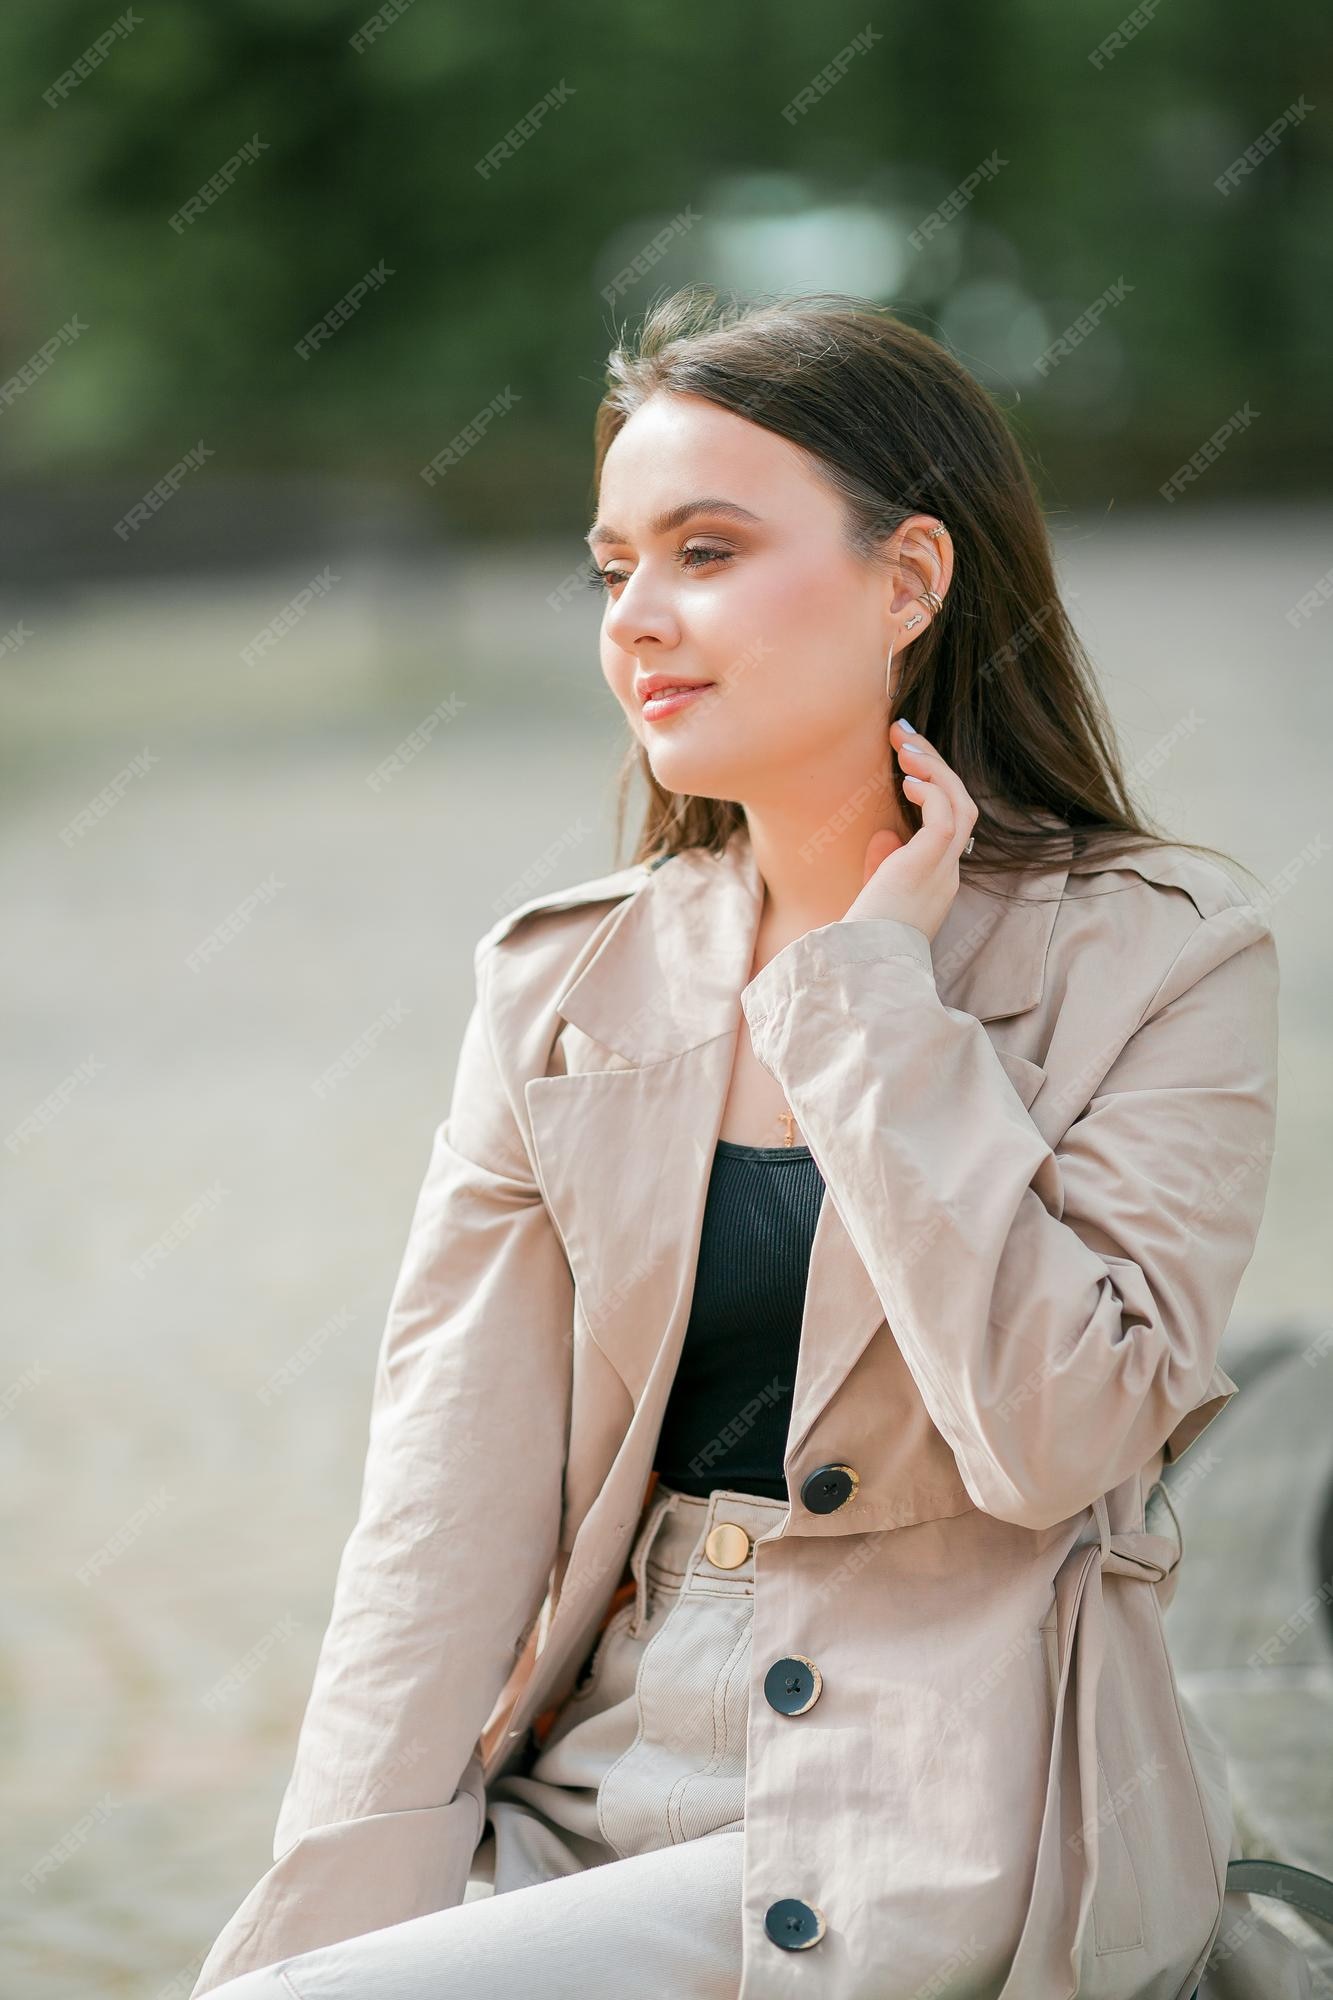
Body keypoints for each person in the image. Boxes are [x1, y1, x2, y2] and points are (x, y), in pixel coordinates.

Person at [192, 289, 1313, 1999]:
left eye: (704, 551)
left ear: (909, 581)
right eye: (611, 567)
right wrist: (338, 1892)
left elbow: (1054, 1433)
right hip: (588, 1772)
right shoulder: (564, 984)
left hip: (955, 1788)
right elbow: (441, 1518)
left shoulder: (1161, 963)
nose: (635, 618)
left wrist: (867, 996)